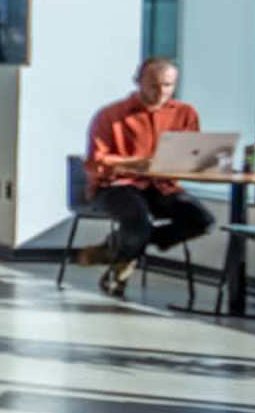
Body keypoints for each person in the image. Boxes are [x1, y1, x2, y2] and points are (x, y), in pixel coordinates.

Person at [81, 55, 212, 297]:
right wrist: (136, 163)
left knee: (201, 220)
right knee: (138, 220)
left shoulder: (185, 113)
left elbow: (190, 153)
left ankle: (117, 246)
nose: (162, 92)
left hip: (162, 186)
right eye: (154, 85)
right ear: (138, 81)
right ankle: (123, 258)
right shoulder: (111, 115)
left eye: (168, 85)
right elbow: (97, 161)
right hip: (116, 186)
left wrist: (206, 162)